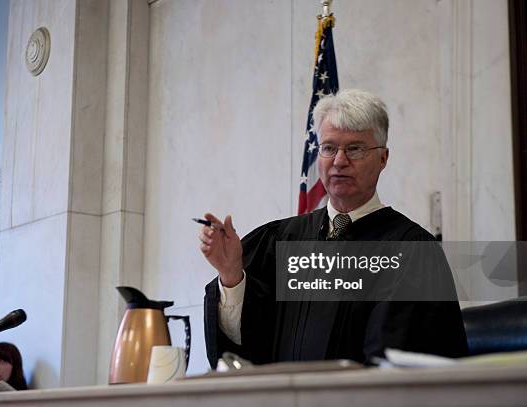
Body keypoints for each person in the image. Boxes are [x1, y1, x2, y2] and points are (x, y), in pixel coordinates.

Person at [199, 89, 468, 367]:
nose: (339, 161)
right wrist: (232, 277)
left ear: (383, 159)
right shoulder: (279, 241)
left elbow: (399, 365)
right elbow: (244, 352)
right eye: (329, 148)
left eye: (355, 148)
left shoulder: (411, 251)